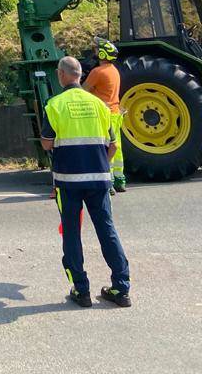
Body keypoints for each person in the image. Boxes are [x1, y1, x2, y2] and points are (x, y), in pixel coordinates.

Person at [40, 56, 131, 309]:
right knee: (107, 230)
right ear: (80, 75)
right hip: (99, 179)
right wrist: (99, 162)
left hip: (68, 182)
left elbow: (47, 143)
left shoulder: (55, 105)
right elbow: (112, 145)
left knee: (71, 232)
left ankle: (82, 290)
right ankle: (121, 288)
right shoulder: (100, 105)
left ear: (61, 75)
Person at [84, 37, 126, 193]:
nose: (94, 51)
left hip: (103, 114)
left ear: (102, 54)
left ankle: (107, 182)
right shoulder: (114, 71)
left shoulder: (97, 72)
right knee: (117, 147)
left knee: (105, 148)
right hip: (115, 113)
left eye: (96, 49)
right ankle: (119, 180)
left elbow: (82, 91)